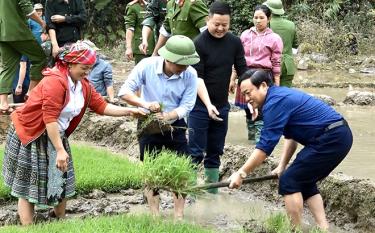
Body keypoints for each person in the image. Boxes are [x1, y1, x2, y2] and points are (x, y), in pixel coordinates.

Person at [2, 41, 145, 225]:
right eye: (84, 68)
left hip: (54, 133)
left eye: (90, 68)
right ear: (69, 64)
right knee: (31, 183)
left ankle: (60, 221)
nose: (87, 72)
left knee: (61, 177)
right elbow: (50, 118)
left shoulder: (82, 84)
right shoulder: (55, 81)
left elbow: (101, 106)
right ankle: (28, 227)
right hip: (33, 133)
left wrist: (129, 111)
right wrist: (60, 150)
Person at [228, 70, 353, 231]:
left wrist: (241, 173)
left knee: (289, 180)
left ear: (264, 86)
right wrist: (282, 165)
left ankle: (295, 230)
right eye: (243, 95)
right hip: (336, 136)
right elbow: (290, 138)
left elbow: (264, 148)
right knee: (303, 180)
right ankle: (323, 229)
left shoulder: (274, 103)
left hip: (332, 138)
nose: (246, 99)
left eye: (248, 93)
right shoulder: (277, 96)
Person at [118, 35, 199, 220]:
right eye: (181, 64)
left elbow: (187, 105)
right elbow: (124, 92)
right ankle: (155, 216)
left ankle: (178, 216)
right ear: (168, 59)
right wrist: (145, 104)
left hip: (176, 124)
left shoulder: (190, 74)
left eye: (187, 64)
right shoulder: (146, 65)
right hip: (149, 123)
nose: (185, 68)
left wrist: (169, 115)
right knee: (150, 169)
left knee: (182, 169)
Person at [188, 1, 248, 194]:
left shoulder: (234, 42)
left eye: (225, 25)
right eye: (216, 24)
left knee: (215, 150)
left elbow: (243, 71)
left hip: (222, 105)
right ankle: (190, 192)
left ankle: (211, 194)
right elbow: (198, 79)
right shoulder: (199, 43)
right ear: (208, 20)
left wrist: (253, 99)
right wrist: (207, 105)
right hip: (198, 106)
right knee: (195, 151)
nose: (221, 28)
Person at [233, 4, 283, 143]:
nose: (258, 21)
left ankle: (259, 141)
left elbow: (276, 62)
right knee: (247, 108)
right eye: (255, 17)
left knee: (261, 108)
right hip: (246, 74)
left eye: (261, 18)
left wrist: (276, 83)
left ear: (269, 18)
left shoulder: (274, 38)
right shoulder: (245, 35)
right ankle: (250, 138)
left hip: (264, 75)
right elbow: (238, 58)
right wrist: (232, 78)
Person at [0, 0, 46, 114]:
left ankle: (3, 103)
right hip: (18, 32)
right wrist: (42, 23)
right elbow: (26, 7)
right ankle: (30, 93)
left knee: (7, 67)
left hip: (3, 33)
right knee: (40, 58)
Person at [263, 0, 298, 87]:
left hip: (270, 65)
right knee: (286, 95)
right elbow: (295, 45)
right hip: (288, 66)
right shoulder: (291, 25)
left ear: (268, 10)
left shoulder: (265, 24)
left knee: (269, 94)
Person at [125, 0, 156, 64]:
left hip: (158, 46)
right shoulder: (134, 7)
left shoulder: (158, 4)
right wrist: (128, 48)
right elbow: (130, 28)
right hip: (143, 49)